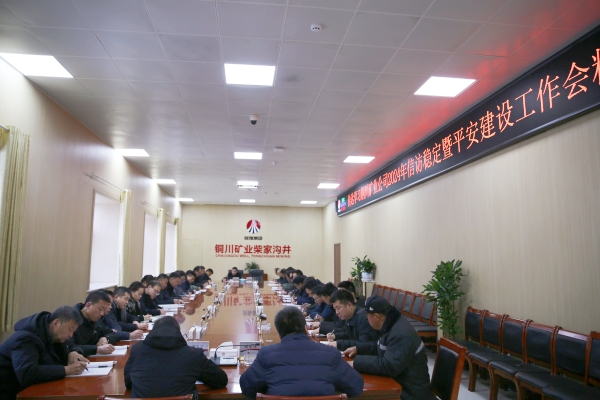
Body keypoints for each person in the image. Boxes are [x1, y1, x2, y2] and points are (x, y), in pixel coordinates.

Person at [239, 307, 364, 398]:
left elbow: (247, 387)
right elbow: (356, 386)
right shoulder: (331, 354)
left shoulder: (266, 355)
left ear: (279, 334)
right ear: (305, 329)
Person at [342, 296, 434, 400]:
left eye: (367, 317)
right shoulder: (390, 324)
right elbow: (380, 346)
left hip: (410, 393)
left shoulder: (401, 334)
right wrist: (358, 349)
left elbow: (389, 366)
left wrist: (356, 363)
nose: (367, 320)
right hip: (399, 383)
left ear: (376, 317)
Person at [124, 316, 228, 397]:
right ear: (178, 333)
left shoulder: (136, 350)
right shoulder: (193, 354)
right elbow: (221, 380)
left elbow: (128, 383)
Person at [0, 306, 89, 400]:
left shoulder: (53, 334)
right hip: (9, 392)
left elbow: (69, 345)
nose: (71, 335)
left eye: (73, 332)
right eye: (70, 330)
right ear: (56, 323)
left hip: (32, 389)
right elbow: (27, 374)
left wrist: (72, 352)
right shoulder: (25, 339)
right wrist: (67, 370)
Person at [68, 291, 117, 357]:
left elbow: (111, 333)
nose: (102, 313)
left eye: (104, 310)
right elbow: (70, 347)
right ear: (88, 305)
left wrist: (105, 338)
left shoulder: (95, 319)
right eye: (100, 309)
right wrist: (97, 349)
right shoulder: (71, 319)